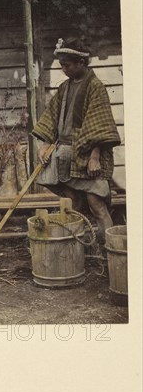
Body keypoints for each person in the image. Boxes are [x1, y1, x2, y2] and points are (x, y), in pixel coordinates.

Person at [32, 37, 121, 242]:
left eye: (67, 65)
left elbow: (99, 123)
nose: (64, 69)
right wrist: (45, 145)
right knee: (72, 202)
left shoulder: (95, 87)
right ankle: (79, 247)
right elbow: (52, 118)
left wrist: (95, 156)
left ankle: (112, 250)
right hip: (65, 154)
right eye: (61, 65)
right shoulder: (64, 88)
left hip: (88, 154)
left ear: (81, 63)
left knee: (96, 204)